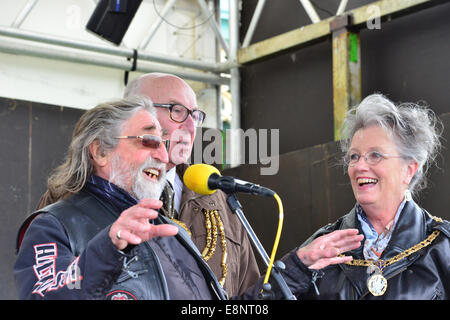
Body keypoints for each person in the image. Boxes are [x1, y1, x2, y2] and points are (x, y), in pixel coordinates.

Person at [14, 96, 364, 300]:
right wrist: (108, 247)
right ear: (100, 152)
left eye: (164, 146)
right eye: (148, 141)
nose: (163, 156)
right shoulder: (54, 225)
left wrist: (298, 268)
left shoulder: (171, 229)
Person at [295, 94, 450, 299]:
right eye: (354, 156)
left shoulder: (443, 247)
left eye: (375, 155)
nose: (359, 166)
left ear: (408, 170)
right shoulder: (319, 247)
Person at [123, 73, 261, 296]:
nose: (190, 125)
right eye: (177, 111)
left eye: (195, 116)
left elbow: (249, 290)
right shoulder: (90, 195)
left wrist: (298, 266)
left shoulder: (220, 200)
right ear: (134, 115)